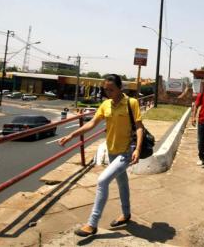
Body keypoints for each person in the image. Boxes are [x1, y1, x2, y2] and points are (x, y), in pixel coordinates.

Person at [58, 74, 143, 237]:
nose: (108, 92)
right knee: (122, 183)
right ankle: (126, 214)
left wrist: (137, 149)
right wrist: (71, 135)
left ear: (121, 88)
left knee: (102, 181)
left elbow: (139, 127)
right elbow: (91, 124)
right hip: (111, 151)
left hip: (126, 151)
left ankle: (92, 224)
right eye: (106, 89)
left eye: (111, 89)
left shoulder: (131, 103)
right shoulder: (105, 105)